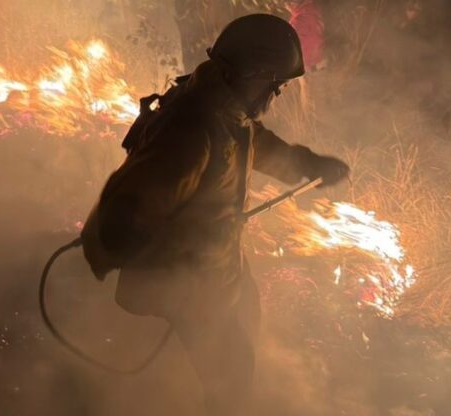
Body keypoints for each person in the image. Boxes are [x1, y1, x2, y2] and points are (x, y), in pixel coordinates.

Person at [82, 14, 349, 415]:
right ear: (249, 73)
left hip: (213, 269)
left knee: (243, 320)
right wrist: (148, 241)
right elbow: (132, 207)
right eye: (273, 85)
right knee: (231, 376)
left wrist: (307, 164)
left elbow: (255, 143)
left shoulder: (224, 111)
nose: (273, 97)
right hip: (186, 282)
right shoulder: (193, 127)